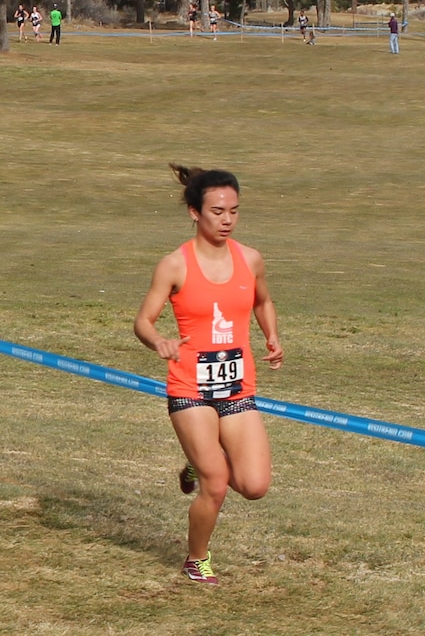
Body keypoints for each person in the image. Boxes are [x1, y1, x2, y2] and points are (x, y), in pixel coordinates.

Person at [133, 163, 283, 585]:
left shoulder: (250, 259)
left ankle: (198, 463)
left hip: (237, 387)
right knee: (217, 483)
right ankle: (196, 559)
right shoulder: (174, 265)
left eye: (234, 211)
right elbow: (143, 320)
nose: (227, 220)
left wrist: (271, 336)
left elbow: (263, 301)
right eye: (218, 211)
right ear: (195, 213)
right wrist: (158, 341)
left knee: (254, 485)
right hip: (189, 387)